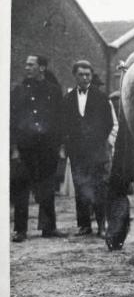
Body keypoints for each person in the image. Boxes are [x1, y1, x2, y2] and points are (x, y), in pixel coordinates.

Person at [10, 55, 66, 242]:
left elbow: (60, 120)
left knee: (47, 187)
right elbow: (12, 120)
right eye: (26, 64)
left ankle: (48, 227)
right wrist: (14, 148)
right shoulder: (18, 91)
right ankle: (20, 230)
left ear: (41, 68)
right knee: (21, 188)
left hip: (47, 148)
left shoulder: (54, 91)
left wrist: (59, 146)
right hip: (25, 148)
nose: (26, 67)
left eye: (31, 64)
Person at [61, 60, 113, 237]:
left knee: (100, 187)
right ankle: (84, 225)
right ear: (75, 76)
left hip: (96, 151)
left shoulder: (100, 97)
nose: (84, 78)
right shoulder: (67, 99)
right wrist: (70, 145)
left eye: (87, 75)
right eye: (81, 75)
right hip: (77, 153)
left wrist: (97, 141)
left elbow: (108, 123)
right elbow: (64, 125)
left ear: (91, 76)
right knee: (81, 187)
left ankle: (102, 225)